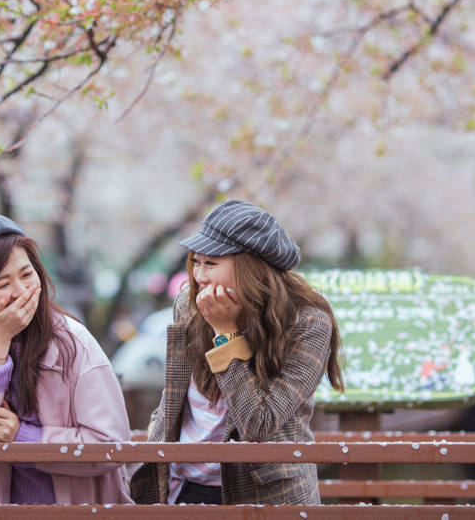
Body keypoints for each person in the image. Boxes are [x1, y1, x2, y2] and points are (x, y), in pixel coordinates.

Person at [130, 199, 344, 505]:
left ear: (248, 266)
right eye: (196, 262)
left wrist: (226, 334)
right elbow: (175, 393)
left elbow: (259, 425)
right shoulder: (188, 306)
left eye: (212, 263)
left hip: (266, 493)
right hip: (181, 483)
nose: (200, 276)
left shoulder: (307, 322)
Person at [0, 213, 132, 505]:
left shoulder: (72, 341)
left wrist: (24, 438)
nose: (22, 291)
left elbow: (111, 444)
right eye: (3, 285)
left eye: (27, 275)